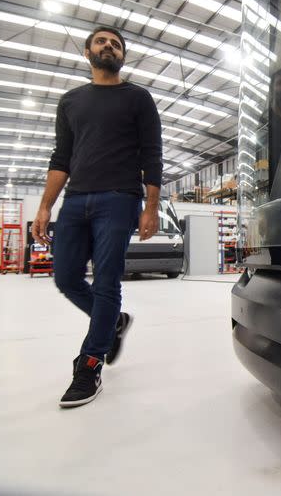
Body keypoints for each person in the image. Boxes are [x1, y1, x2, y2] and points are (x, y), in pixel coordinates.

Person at [32, 26, 162, 408]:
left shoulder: (138, 98)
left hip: (119, 200)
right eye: (102, 41)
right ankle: (114, 322)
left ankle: (88, 365)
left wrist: (150, 207)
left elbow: (152, 155)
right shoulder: (71, 102)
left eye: (117, 44)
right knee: (67, 278)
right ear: (88, 52)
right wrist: (45, 206)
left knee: (106, 282)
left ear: (123, 56)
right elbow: (61, 159)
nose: (110, 46)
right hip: (75, 201)